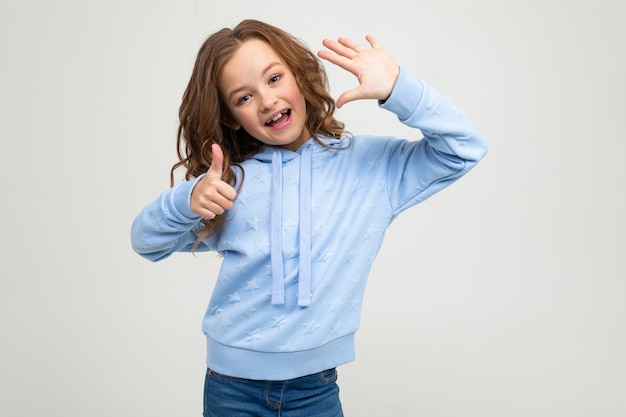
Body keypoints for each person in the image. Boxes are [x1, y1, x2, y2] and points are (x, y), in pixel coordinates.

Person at [131, 19, 488, 417]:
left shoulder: (369, 167)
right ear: (231, 118)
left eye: (274, 78)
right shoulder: (228, 182)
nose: (266, 100)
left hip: (315, 390)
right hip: (231, 389)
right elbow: (146, 242)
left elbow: (464, 148)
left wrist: (399, 89)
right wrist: (186, 200)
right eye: (244, 97)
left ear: (299, 78)